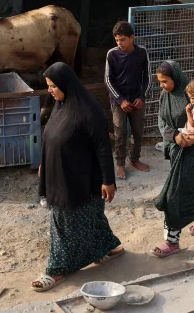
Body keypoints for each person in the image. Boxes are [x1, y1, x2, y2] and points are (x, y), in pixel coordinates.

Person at [32, 62, 125, 292]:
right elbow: (51, 137)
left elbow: (103, 148)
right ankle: (106, 248)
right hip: (60, 174)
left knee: (63, 222)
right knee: (92, 217)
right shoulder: (60, 106)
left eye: (53, 86)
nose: (50, 91)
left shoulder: (88, 111)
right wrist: (45, 163)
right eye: (48, 86)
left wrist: (108, 180)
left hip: (82, 179)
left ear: (66, 84)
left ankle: (56, 270)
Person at [152, 60, 194, 258]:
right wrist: (174, 135)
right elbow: (161, 120)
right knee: (188, 186)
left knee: (173, 194)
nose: (162, 85)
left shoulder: (193, 93)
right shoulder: (165, 95)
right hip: (176, 150)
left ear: (176, 78)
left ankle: (172, 240)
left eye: (165, 81)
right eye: (160, 82)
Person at [105, 21, 151, 180]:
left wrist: (142, 96)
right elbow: (108, 80)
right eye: (117, 40)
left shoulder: (142, 52)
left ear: (132, 37)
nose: (119, 43)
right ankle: (120, 164)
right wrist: (120, 100)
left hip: (137, 100)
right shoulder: (112, 54)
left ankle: (135, 159)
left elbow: (147, 77)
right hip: (119, 102)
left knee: (138, 131)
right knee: (120, 133)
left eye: (123, 39)